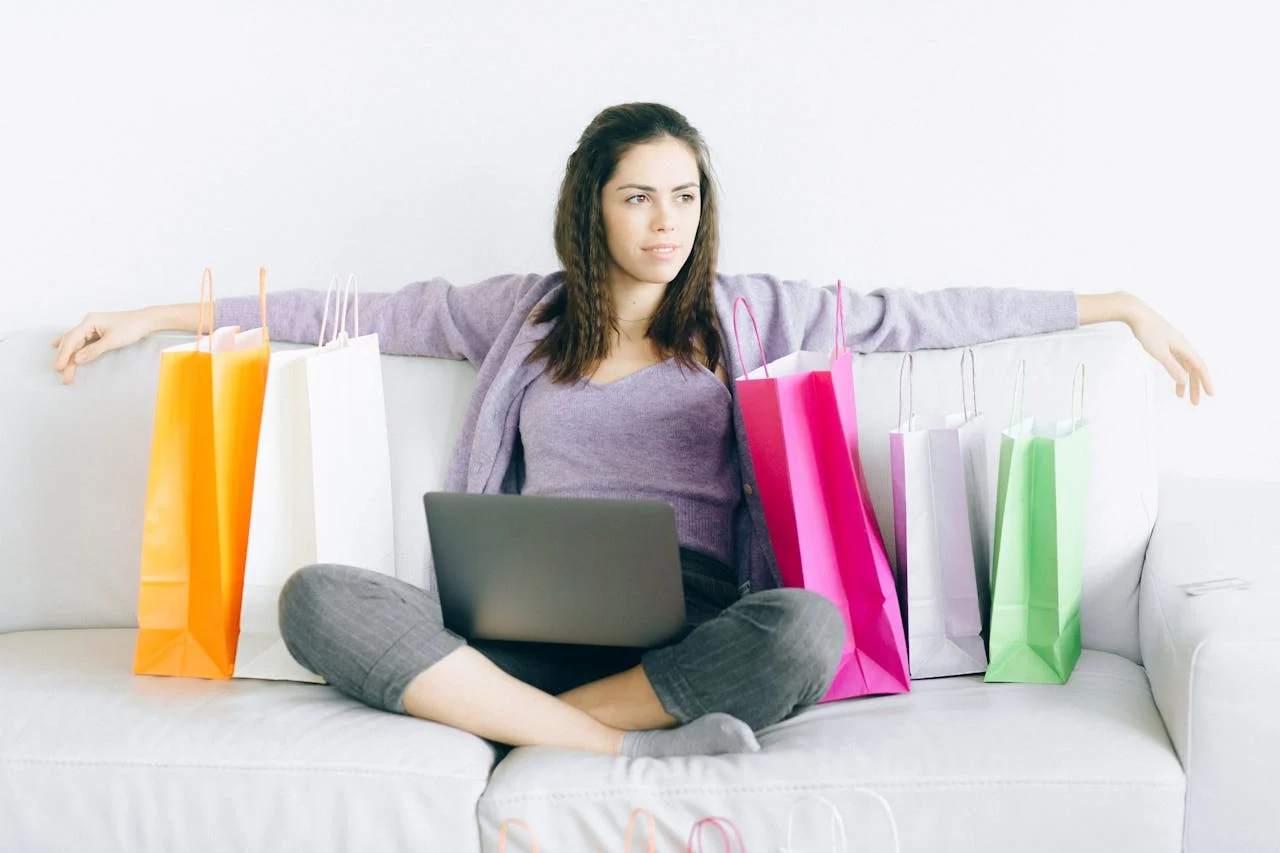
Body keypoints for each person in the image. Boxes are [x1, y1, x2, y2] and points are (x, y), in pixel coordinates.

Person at [51, 102, 1212, 758]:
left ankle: (525, 732)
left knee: (804, 630)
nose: (667, 221)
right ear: (591, 205)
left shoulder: (752, 313)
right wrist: (158, 313)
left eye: (685, 194)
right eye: (638, 195)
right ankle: (611, 745)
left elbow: (923, 317)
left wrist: (1108, 302)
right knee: (315, 597)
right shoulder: (521, 312)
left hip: (694, 623)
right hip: (512, 626)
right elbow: (334, 310)